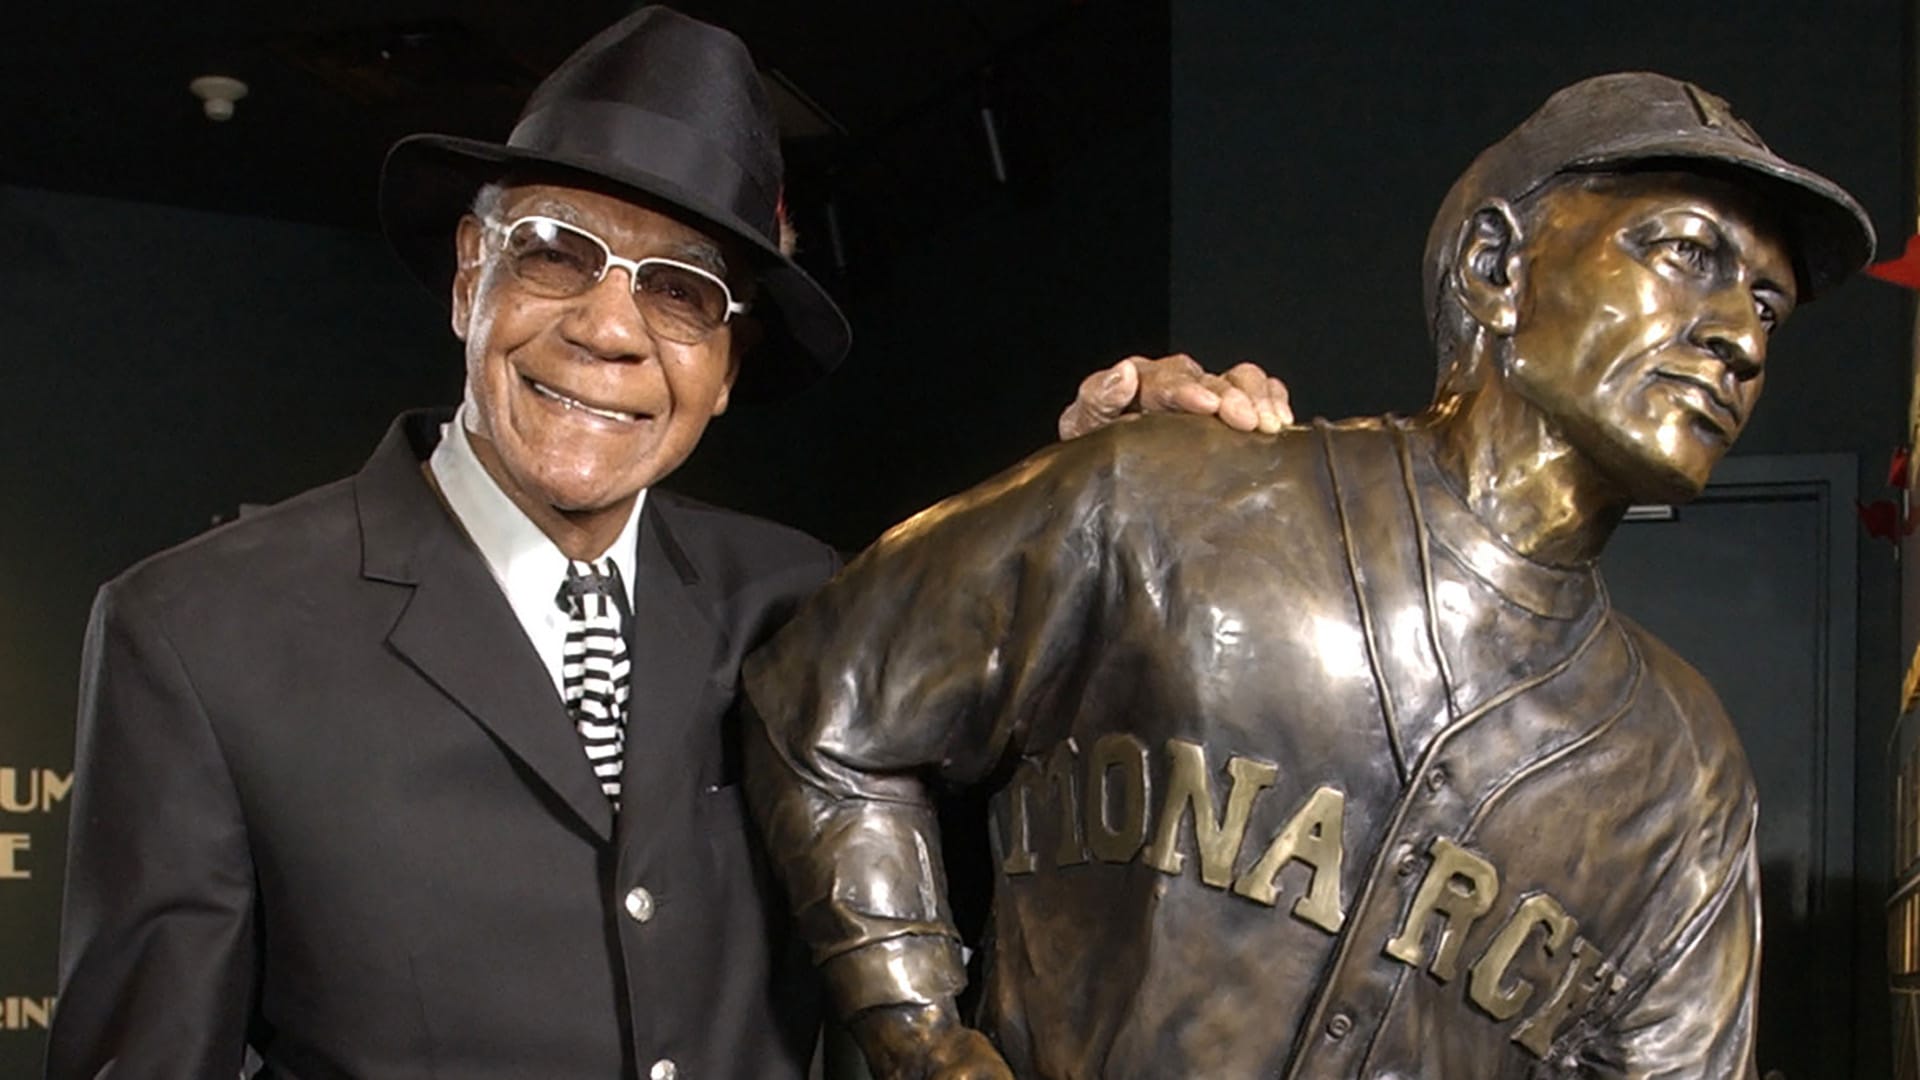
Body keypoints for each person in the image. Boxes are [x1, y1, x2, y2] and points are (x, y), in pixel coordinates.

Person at [45, 8, 1287, 1079]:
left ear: (728, 367)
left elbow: (1042, 854)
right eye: (556, 255)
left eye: (681, 291)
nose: (609, 328)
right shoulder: (199, 636)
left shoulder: (807, 602)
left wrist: (1100, 502)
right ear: (471, 273)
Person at [742, 72, 1875, 1078]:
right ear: (1496, 268)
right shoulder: (1172, 496)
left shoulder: (1682, 774)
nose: (1741, 337)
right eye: (1686, 254)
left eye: (1768, 304)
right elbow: (821, 708)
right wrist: (922, 1040)